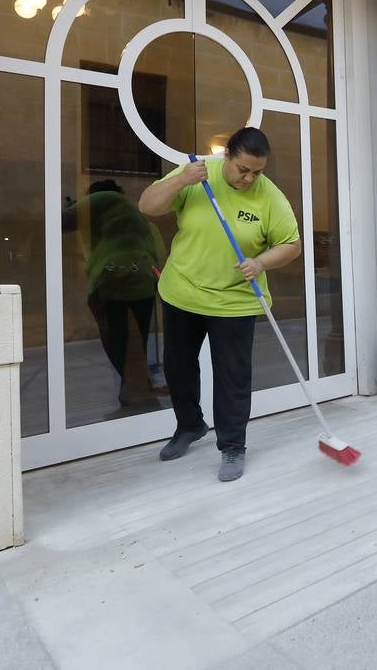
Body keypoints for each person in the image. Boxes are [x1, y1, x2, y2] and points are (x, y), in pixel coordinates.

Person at [138, 127, 302, 482]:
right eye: (243, 169)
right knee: (178, 367)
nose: (249, 178)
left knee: (232, 377)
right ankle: (189, 426)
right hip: (183, 290)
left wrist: (260, 263)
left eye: (257, 172)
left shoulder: (269, 196)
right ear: (226, 156)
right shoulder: (199, 174)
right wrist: (182, 180)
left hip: (235, 301)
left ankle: (232, 445)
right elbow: (148, 206)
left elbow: (291, 244)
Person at [62, 179, 166, 409]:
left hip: (114, 282)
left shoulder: (104, 200)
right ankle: (135, 391)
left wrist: (68, 206)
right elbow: (158, 251)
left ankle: (136, 392)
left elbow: (61, 222)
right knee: (135, 342)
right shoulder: (137, 218)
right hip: (143, 283)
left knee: (116, 341)